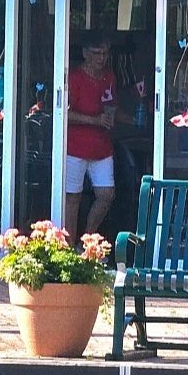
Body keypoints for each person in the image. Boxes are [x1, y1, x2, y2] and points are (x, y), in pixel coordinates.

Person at [65, 33, 116, 237]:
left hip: (102, 147)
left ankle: (86, 240)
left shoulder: (109, 77)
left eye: (105, 53)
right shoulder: (74, 77)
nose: (101, 58)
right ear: (85, 53)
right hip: (75, 146)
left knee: (106, 195)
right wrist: (94, 120)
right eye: (96, 53)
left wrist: (130, 118)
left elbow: (111, 106)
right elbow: (63, 113)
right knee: (72, 198)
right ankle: (68, 247)